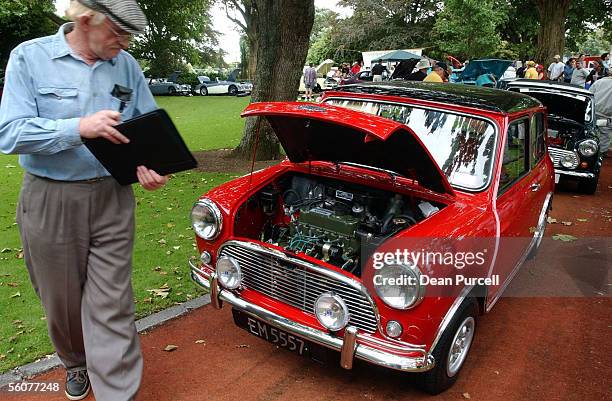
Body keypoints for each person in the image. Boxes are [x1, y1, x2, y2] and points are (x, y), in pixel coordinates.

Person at [0, 1, 168, 400]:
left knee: (112, 301)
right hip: (50, 198)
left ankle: (118, 392)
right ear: (85, 19)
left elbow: (148, 122)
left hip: (113, 196)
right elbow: (10, 132)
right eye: (117, 33)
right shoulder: (29, 57)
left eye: (129, 36)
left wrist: (153, 164)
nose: (124, 43)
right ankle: (76, 362)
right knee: (61, 301)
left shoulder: (126, 65)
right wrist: (78, 127)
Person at [589, 70, 612, 157]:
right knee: (604, 133)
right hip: (606, 114)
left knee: (592, 132)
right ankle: (601, 152)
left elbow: (589, 94)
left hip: (593, 111)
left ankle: (592, 150)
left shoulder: (599, 82)